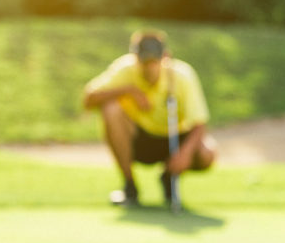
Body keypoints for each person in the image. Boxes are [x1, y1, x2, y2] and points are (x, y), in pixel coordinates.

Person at [83, 29, 216, 207]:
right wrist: (128, 90)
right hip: (140, 139)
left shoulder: (183, 76)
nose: (149, 68)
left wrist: (184, 154)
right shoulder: (125, 69)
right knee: (111, 108)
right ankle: (130, 187)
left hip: (174, 140)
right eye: (144, 61)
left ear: (166, 57)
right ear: (134, 57)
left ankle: (168, 178)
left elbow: (199, 122)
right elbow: (89, 99)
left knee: (207, 153)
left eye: (154, 61)